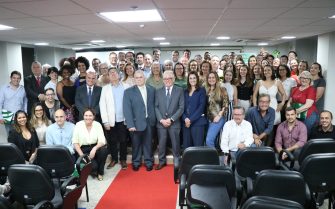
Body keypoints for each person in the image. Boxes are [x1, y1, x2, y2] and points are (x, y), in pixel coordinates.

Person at [123, 70, 156, 171]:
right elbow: (127, 109)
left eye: (141, 77)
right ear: (134, 79)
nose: (139, 79)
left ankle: (148, 162)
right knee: (136, 144)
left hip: (149, 121)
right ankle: (136, 162)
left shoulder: (152, 90)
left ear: (144, 78)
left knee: (148, 144)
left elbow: (154, 105)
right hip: (135, 123)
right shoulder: (128, 92)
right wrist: (130, 124)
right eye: (136, 78)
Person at [155, 70, 184, 170]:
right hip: (161, 123)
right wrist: (161, 120)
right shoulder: (158, 91)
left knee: (176, 144)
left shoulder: (179, 90)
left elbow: (181, 108)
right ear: (163, 80)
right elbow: (156, 107)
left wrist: (171, 119)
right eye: (165, 78)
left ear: (174, 79)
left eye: (170, 78)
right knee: (162, 144)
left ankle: (177, 162)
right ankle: (161, 161)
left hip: (174, 123)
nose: (167, 80)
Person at [99, 68, 128, 170]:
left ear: (119, 74)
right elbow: (102, 105)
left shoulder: (126, 86)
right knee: (112, 141)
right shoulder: (105, 88)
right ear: (108, 76)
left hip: (123, 119)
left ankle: (123, 159)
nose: (112, 74)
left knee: (123, 140)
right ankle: (114, 159)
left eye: (114, 72)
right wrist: (105, 121)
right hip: (110, 120)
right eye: (110, 73)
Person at [72, 108, 108, 181]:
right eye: (86, 115)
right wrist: (82, 156)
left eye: (90, 115)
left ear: (93, 116)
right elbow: (75, 142)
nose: (88, 117)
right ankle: (94, 168)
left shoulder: (97, 125)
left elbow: (102, 140)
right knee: (93, 167)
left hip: (95, 147)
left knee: (104, 150)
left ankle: (100, 173)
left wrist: (94, 148)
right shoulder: (78, 125)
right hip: (83, 149)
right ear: (83, 116)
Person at [182, 72, 207, 149]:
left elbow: (201, 107)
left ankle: (198, 161)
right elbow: (181, 107)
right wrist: (185, 118)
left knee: (197, 147)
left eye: (194, 78)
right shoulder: (185, 91)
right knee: (187, 147)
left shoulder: (201, 90)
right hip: (186, 123)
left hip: (198, 122)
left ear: (197, 79)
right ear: (188, 80)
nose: (192, 80)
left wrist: (190, 120)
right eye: (190, 78)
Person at [205, 72, 229, 148]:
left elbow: (225, 105)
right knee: (211, 140)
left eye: (213, 77)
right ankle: (213, 157)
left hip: (218, 118)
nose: (211, 79)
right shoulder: (206, 89)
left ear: (216, 78)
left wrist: (219, 116)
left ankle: (213, 159)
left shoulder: (222, 89)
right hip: (207, 118)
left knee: (209, 140)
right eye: (209, 77)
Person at [0, 71, 27, 135]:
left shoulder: (23, 89)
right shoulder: (4, 88)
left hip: (20, 116)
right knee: (10, 136)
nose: (16, 80)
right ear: (10, 78)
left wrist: (25, 113)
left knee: (21, 135)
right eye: (14, 78)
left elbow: (25, 102)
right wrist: (0, 117)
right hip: (7, 116)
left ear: (20, 79)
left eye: (18, 78)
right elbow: (0, 103)